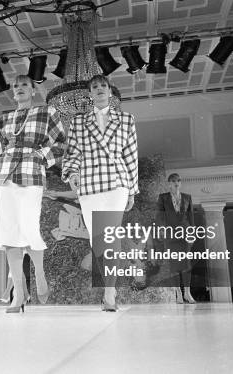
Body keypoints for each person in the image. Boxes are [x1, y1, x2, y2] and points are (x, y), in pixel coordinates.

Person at [0, 75, 66, 313]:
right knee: (8, 233)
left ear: (33, 90)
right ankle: (19, 293)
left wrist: (42, 156)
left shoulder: (47, 113)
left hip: (31, 175)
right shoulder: (3, 120)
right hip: (5, 177)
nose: (20, 88)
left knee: (29, 227)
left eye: (25, 85)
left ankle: (40, 275)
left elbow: (62, 144)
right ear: (13, 92)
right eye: (16, 86)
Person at [62, 74, 139, 312]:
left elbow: (131, 155)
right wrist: (72, 174)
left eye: (103, 86)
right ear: (89, 94)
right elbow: (72, 152)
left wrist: (133, 190)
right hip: (90, 185)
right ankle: (110, 286)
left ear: (110, 91)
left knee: (111, 237)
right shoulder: (78, 121)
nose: (99, 89)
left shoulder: (127, 119)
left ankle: (109, 293)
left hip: (117, 183)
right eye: (94, 87)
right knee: (98, 243)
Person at [157, 173, 196, 304]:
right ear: (169, 183)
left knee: (186, 264)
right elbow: (160, 217)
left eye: (178, 180)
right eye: (173, 181)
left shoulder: (187, 197)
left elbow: (191, 217)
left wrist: (193, 232)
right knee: (173, 264)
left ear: (181, 182)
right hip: (170, 233)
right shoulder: (163, 198)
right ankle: (178, 293)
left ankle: (187, 293)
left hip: (185, 232)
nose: (176, 183)